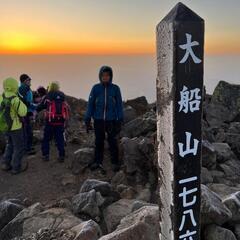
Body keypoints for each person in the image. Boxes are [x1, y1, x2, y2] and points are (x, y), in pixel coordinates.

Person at [85, 66, 124, 173]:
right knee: (99, 141)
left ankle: (115, 162)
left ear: (110, 76)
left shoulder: (115, 88)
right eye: (103, 75)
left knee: (112, 141)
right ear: (100, 76)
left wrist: (119, 119)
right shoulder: (96, 88)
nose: (105, 77)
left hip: (111, 120)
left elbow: (119, 105)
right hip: (98, 120)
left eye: (107, 75)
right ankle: (98, 161)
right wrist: (87, 119)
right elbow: (90, 105)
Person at [0, 77, 28, 174]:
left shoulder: (2, 96)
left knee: (9, 144)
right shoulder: (15, 99)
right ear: (14, 86)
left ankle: (5, 163)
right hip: (16, 127)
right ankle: (16, 167)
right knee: (18, 147)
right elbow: (23, 112)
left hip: (5, 127)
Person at [37, 82, 69, 162]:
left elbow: (41, 106)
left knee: (46, 139)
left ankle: (46, 155)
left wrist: (37, 109)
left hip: (50, 121)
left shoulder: (48, 95)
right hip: (60, 121)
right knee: (60, 139)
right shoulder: (62, 95)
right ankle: (61, 156)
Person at [18, 74, 36, 155]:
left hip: (27, 112)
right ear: (25, 81)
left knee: (28, 130)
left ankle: (28, 146)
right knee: (26, 131)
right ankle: (26, 149)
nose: (30, 81)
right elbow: (24, 101)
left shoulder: (26, 88)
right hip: (24, 113)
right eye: (29, 80)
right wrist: (33, 106)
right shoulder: (22, 88)